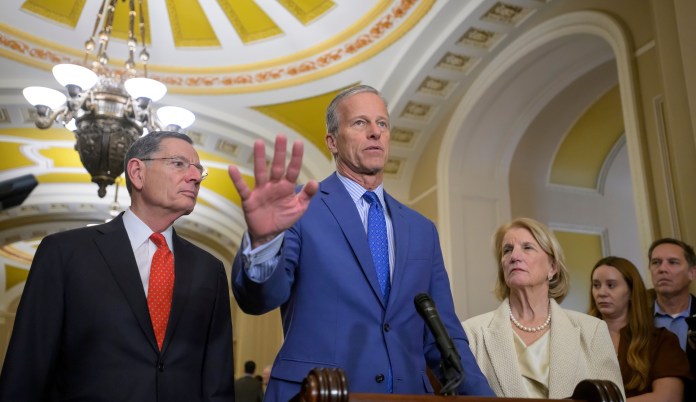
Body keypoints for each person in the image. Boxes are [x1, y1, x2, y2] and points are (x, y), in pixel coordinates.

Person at [227, 84, 494, 400]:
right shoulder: (298, 207)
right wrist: (264, 240)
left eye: (382, 124)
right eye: (360, 123)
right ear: (332, 141)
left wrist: (486, 400)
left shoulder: (422, 229)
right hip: (319, 394)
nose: (375, 133)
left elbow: (445, 336)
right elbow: (259, 299)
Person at [0, 131, 235, 401]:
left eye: (199, 170)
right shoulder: (64, 253)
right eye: (179, 163)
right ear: (137, 172)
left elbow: (217, 380)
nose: (195, 177)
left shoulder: (209, 270)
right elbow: (28, 368)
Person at [462, 217, 624, 399]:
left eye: (527, 247)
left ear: (553, 267)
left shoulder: (592, 331)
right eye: (507, 250)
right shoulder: (472, 333)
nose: (514, 256)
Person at [590, 256, 691, 401]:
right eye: (596, 285)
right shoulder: (579, 337)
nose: (601, 293)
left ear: (631, 291)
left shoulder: (661, 341)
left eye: (611, 285)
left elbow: (668, 398)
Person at [647, 237, 696, 400]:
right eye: (656, 262)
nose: (662, 269)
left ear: (692, 273)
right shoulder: (635, 318)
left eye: (673, 262)